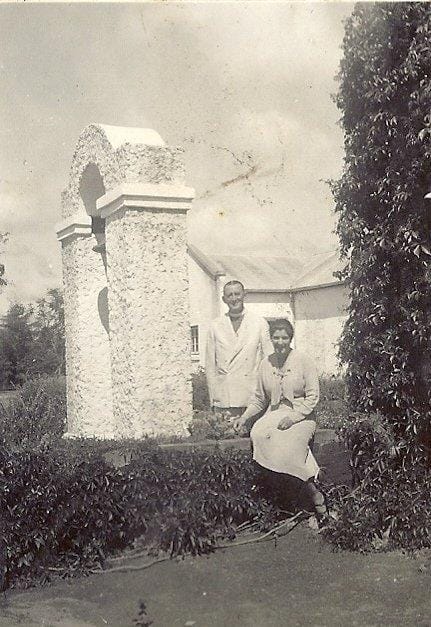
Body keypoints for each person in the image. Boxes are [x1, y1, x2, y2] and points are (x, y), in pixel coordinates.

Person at [233, 318, 327, 521]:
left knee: (288, 443)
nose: (280, 342)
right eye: (276, 337)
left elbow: (313, 396)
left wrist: (293, 418)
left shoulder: (304, 361)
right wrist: (245, 417)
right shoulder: (265, 364)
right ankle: (311, 488)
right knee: (258, 434)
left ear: (290, 338)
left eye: (284, 337)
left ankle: (313, 494)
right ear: (271, 339)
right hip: (273, 414)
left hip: (302, 414)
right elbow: (259, 399)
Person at [205, 280, 272, 419]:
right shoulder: (215, 326)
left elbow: (269, 361)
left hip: (251, 398)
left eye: (237, 294)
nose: (234, 299)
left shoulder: (259, 323)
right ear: (224, 299)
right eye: (230, 295)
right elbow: (210, 366)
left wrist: (269, 395)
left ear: (244, 295)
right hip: (225, 398)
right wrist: (213, 399)